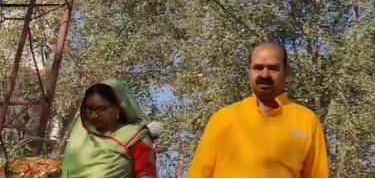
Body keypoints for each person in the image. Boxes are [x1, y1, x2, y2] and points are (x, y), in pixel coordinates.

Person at [188, 43, 329, 178]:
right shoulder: (223, 119)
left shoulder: (306, 120)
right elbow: (198, 174)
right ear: (249, 71)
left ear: (286, 72)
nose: (265, 75)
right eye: (258, 68)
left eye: (273, 68)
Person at [62, 79, 157, 178]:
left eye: (101, 109)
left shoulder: (135, 137)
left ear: (117, 109)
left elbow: (146, 174)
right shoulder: (79, 140)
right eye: (89, 109)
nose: (94, 115)